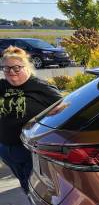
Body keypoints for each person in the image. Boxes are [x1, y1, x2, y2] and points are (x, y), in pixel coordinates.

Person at [0, 46, 62, 194]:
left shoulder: (40, 87)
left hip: (29, 149)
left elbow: (65, 108)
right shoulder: (2, 86)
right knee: (23, 182)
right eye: (6, 69)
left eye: (16, 68)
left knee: (36, 188)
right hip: (5, 148)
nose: (11, 73)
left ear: (26, 67)